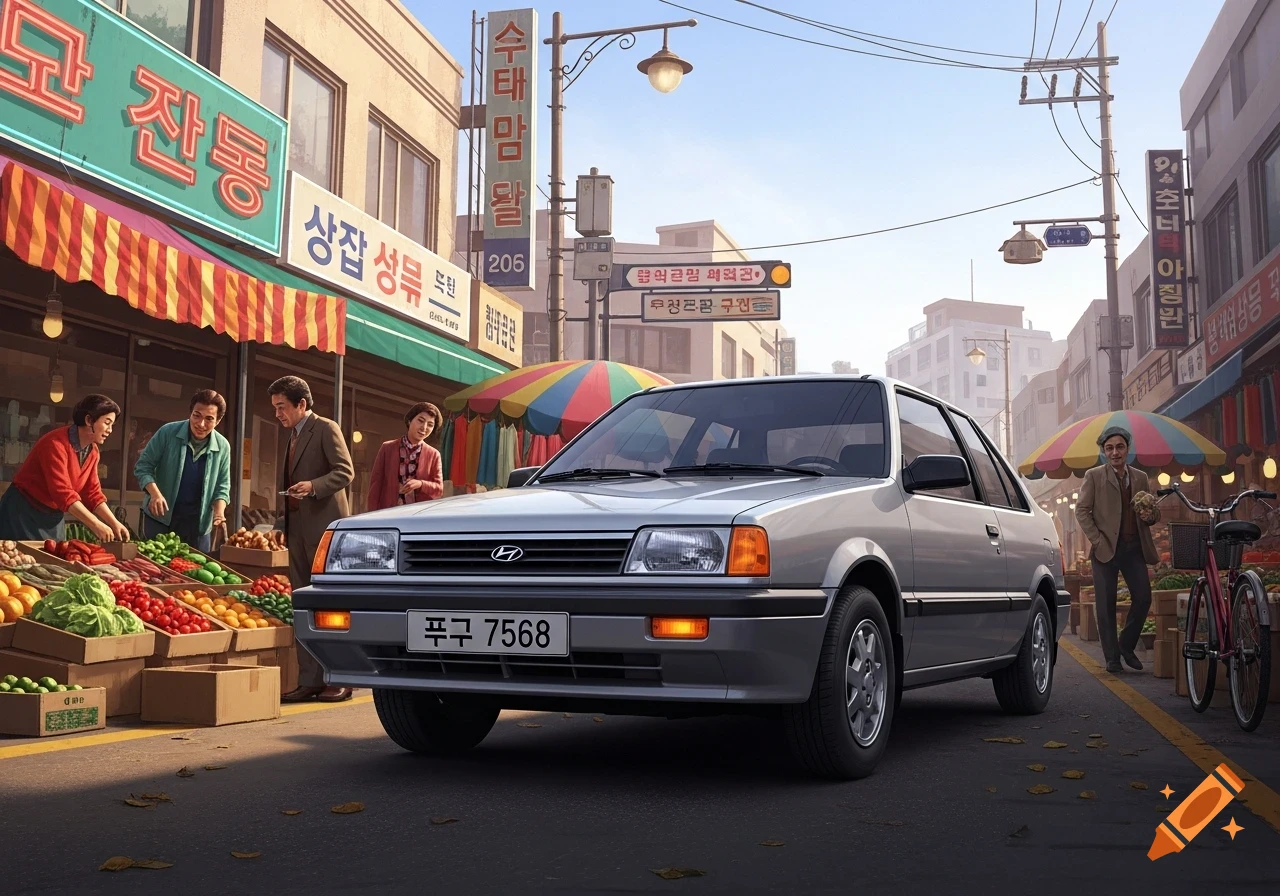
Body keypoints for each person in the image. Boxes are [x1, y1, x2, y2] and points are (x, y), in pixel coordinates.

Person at [269, 375, 354, 703]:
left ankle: (340, 677)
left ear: (301, 404)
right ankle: (310, 679)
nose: (278, 413)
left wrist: (314, 486)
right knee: (303, 605)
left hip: (325, 531)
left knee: (332, 605)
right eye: (275, 407)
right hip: (297, 532)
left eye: (282, 407)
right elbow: (290, 484)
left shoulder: (326, 428)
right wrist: (281, 523)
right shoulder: (292, 436)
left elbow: (345, 471)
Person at [1075, 425, 1161, 674]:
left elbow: (1150, 512)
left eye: (1120, 447)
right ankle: (1112, 658)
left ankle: (1126, 644)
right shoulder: (1094, 476)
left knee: (1143, 597)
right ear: (1104, 451)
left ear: (1127, 449)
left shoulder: (1140, 477)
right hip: (1105, 549)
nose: (1115, 452)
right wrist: (1097, 540)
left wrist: (1151, 514)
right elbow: (1082, 510)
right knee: (1106, 605)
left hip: (1134, 548)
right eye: (1109, 448)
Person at [0, 394, 130, 543]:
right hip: (23, 512)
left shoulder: (93, 451)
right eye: (107, 423)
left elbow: (92, 493)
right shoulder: (55, 444)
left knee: (55, 554)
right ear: (89, 420)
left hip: (53, 516)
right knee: (22, 557)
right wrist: (95, 524)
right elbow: (62, 492)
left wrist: (114, 523)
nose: (110, 430)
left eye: (112, 425)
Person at [133, 390, 232, 553]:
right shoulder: (167, 432)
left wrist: (219, 514)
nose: (201, 424)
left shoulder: (223, 446)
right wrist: (155, 494)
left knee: (197, 567)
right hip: (161, 519)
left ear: (218, 421)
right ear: (190, 413)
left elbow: (222, 486)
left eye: (209, 419)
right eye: (197, 416)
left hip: (198, 526)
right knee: (155, 566)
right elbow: (143, 467)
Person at [367, 402, 445, 512]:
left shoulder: (434, 454)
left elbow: (439, 489)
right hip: (388, 512)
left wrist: (421, 484)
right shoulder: (387, 448)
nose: (424, 427)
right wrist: (372, 514)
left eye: (430, 425)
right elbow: (375, 486)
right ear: (409, 420)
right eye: (420, 421)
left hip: (419, 515)